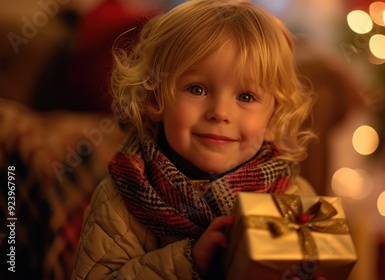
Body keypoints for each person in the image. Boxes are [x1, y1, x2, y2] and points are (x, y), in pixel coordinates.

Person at [72, 0, 317, 279]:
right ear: (155, 98)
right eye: (197, 89)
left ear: (274, 118)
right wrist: (187, 263)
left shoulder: (292, 195)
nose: (220, 113)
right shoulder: (122, 197)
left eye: (246, 97)